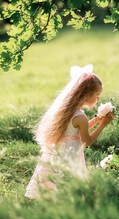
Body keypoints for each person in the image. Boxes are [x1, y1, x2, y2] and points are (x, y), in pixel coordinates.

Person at [25, 64, 114, 199]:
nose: (98, 99)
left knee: (55, 177)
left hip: (59, 151)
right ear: (86, 95)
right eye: (97, 96)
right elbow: (87, 141)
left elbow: (72, 131)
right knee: (68, 181)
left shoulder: (67, 111)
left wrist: (96, 121)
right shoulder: (80, 117)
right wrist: (103, 125)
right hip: (71, 154)